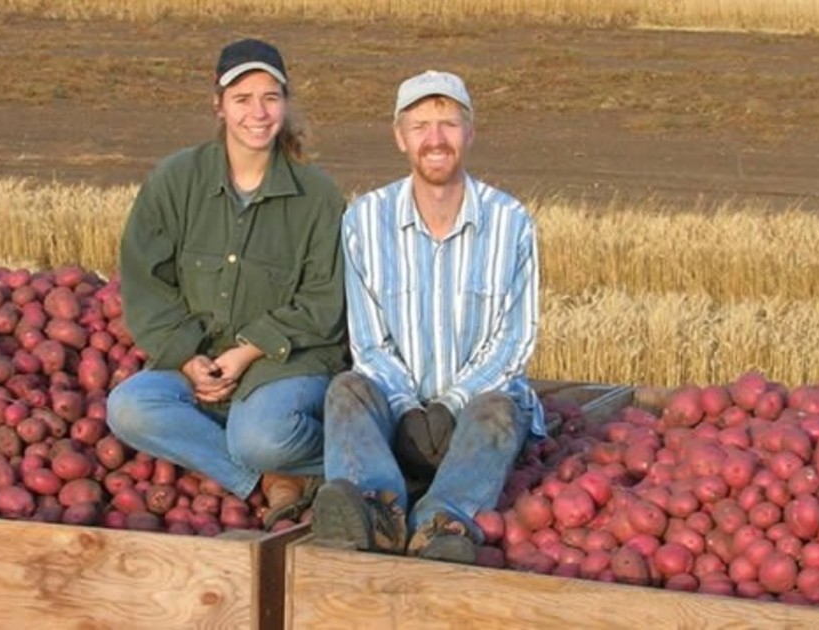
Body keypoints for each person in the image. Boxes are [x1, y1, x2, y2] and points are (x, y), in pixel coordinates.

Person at [106, 38, 348, 529]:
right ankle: (270, 481)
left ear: (285, 103)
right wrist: (187, 357)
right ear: (218, 105)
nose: (257, 113)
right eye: (242, 99)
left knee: (255, 437)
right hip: (201, 360)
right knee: (129, 407)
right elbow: (146, 281)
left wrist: (248, 350)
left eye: (270, 98)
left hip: (287, 363)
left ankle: (361, 459)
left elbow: (325, 300)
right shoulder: (176, 180)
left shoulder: (318, 195)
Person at [313, 70, 544, 564]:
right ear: (399, 137)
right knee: (346, 389)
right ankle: (376, 508)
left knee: (500, 409)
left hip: (476, 412)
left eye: (448, 123)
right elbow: (369, 342)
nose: (435, 139)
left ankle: (442, 519)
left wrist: (452, 405)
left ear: (470, 132)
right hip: (399, 409)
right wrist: (406, 408)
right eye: (420, 125)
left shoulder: (511, 222)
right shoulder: (365, 221)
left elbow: (514, 341)